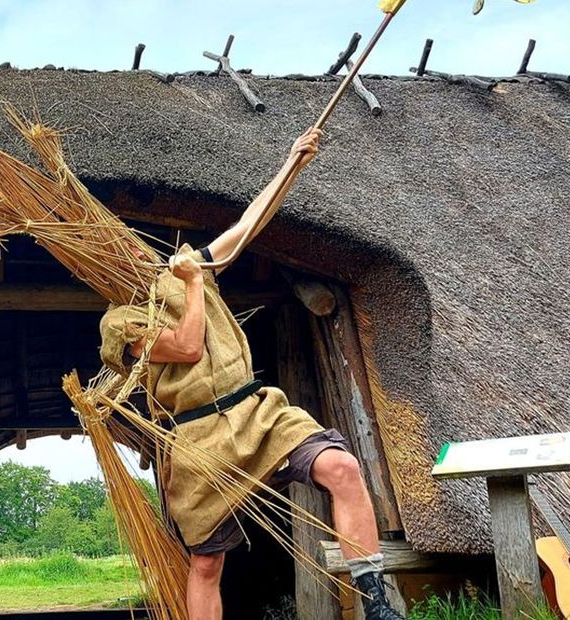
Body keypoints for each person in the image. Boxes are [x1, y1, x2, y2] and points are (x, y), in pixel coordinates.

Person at [99, 128, 404, 620]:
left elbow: (247, 225)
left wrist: (292, 165)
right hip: (197, 442)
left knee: (342, 468)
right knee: (206, 563)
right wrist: (195, 283)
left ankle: (375, 601)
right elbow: (186, 345)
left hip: (256, 413)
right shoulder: (120, 320)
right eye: (121, 249)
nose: (134, 250)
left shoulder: (192, 265)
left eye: (133, 243)